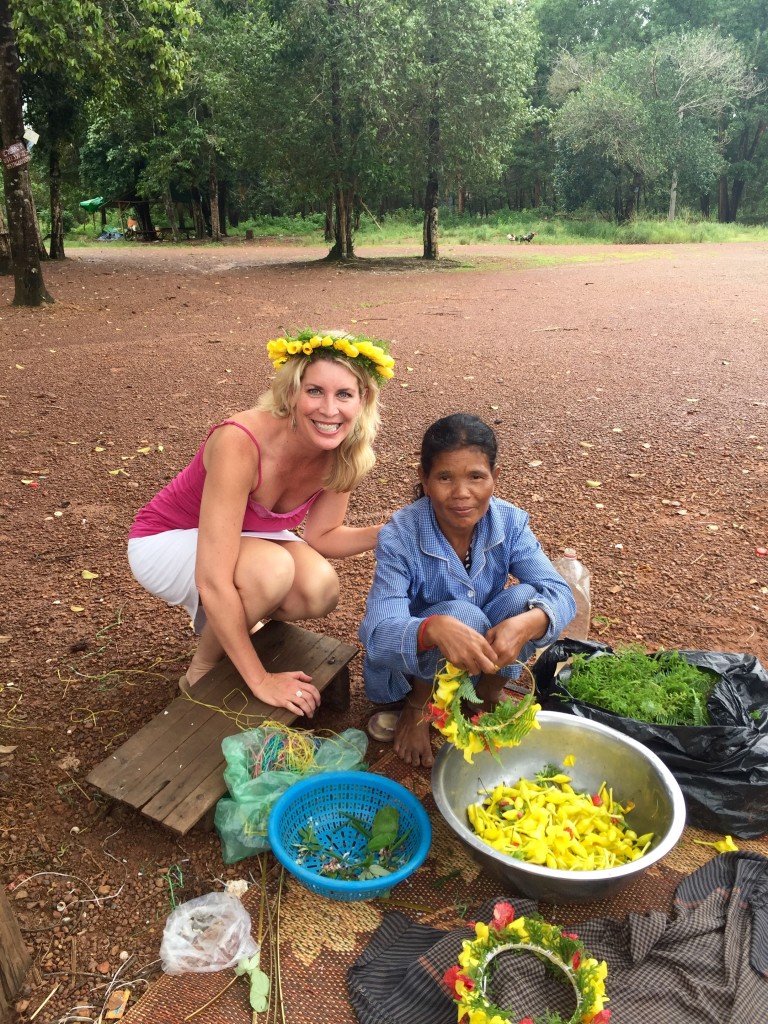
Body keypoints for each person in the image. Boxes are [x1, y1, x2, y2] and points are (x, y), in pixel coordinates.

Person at [128, 329, 395, 718]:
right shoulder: (240, 440)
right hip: (167, 538)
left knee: (319, 589)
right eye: (314, 391)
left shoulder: (345, 451)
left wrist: (392, 530)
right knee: (271, 571)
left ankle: (235, 618)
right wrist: (261, 679)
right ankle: (201, 669)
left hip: (244, 537)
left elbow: (323, 536)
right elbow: (212, 578)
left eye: (344, 394)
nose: (329, 410)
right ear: (291, 393)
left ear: (363, 399)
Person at [359, 413, 576, 767]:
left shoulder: (510, 522)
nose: (462, 494)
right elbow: (378, 634)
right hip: (412, 667)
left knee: (526, 601)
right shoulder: (400, 534)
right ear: (425, 480)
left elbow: (560, 593)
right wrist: (431, 630)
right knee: (460, 614)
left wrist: (529, 623)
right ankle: (419, 704)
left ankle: (487, 693)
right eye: (445, 477)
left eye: (476, 477)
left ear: (495, 478)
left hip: (479, 654)